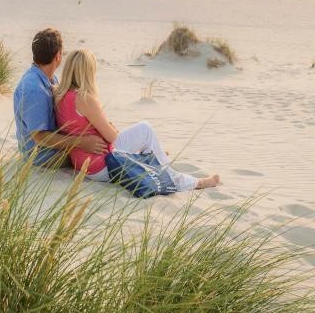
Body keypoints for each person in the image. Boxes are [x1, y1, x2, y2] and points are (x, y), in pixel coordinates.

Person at [55, 49, 221, 191]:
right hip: (102, 166)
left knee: (143, 139)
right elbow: (112, 137)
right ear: (89, 72)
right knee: (145, 129)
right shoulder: (84, 98)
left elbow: (82, 126)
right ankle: (188, 182)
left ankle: (156, 155)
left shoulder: (60, 96)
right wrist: (108, 125)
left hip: (82, 163)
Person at [14, 28, 109, 167]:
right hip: (44, 156)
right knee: (105, 155)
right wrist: (81, 142)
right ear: (58, 56)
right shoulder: (34, 89)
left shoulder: (50, 79)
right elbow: (39, 137)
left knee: (105, 143)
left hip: (58, 147)